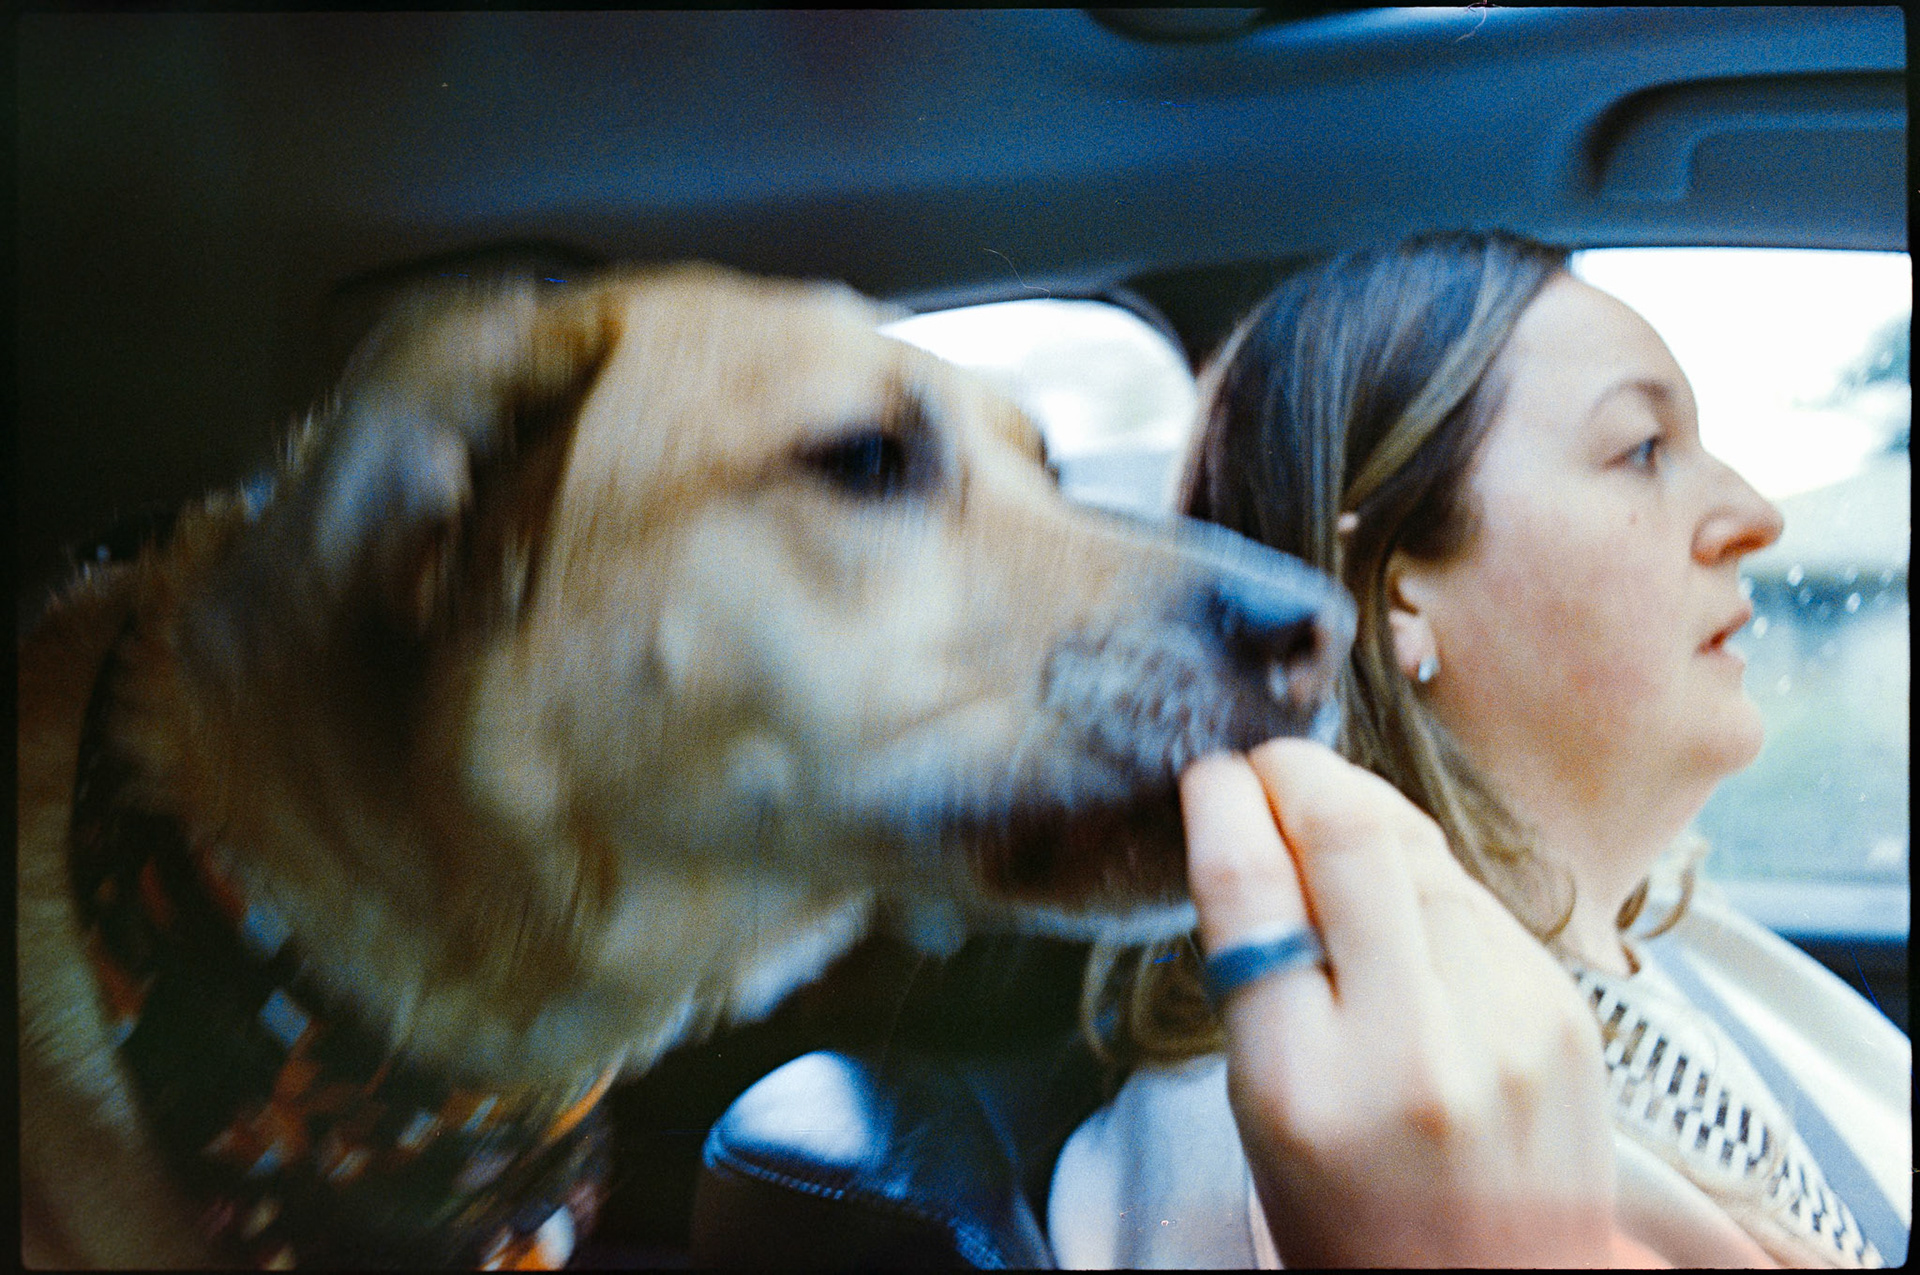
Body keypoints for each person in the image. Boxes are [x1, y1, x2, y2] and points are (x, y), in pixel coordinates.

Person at [1046, 232, 1910, 1268]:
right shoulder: (1304, 1151)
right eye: (1642, 450)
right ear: (1393, 587)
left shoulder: (1680, 941)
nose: (1754, 517)